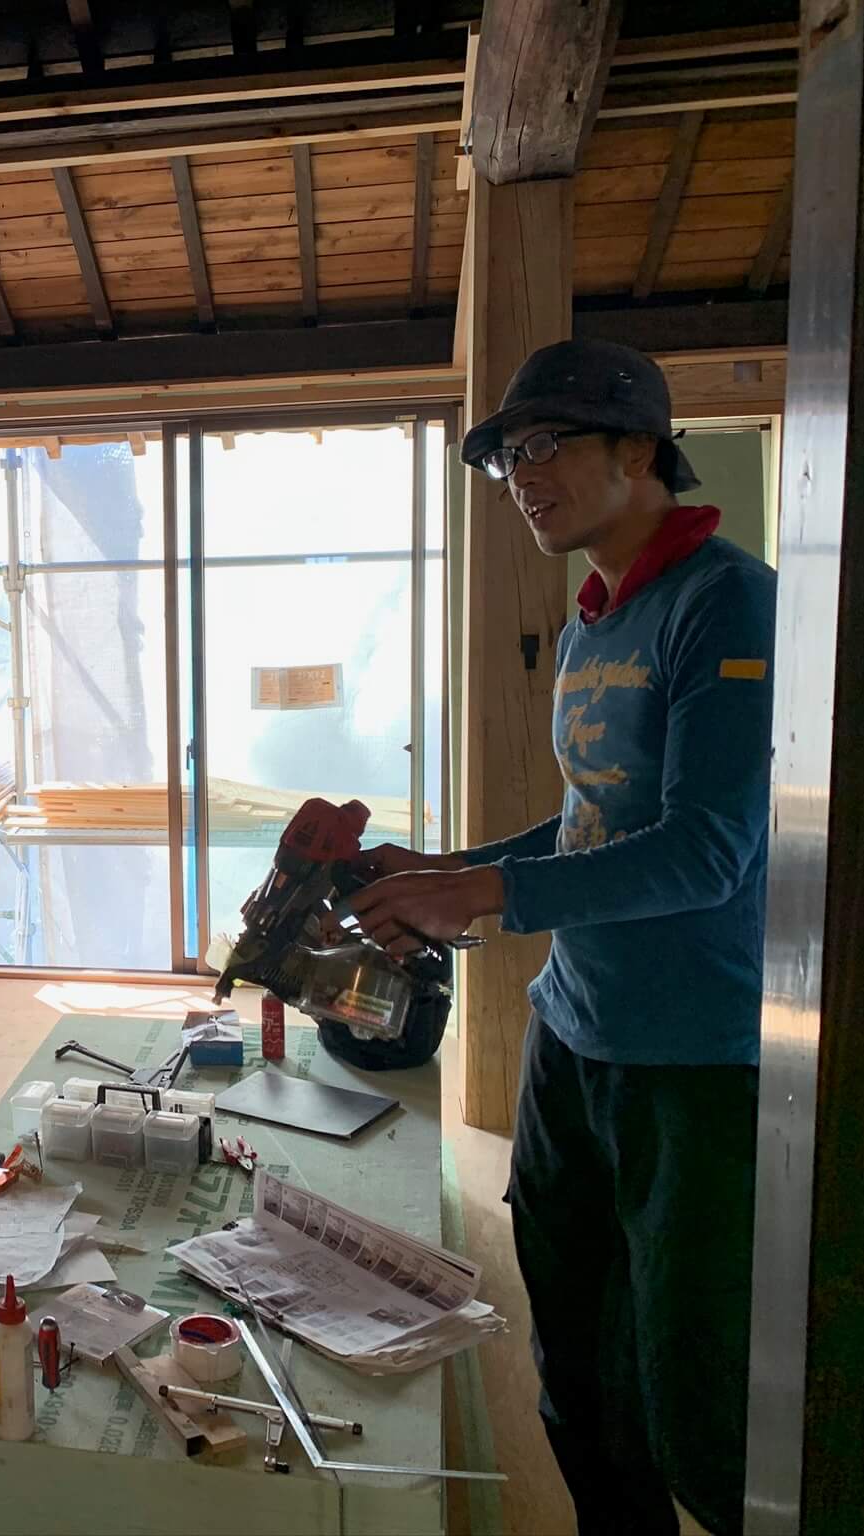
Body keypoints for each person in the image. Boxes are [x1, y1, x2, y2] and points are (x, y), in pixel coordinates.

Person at [350, 340, 775, 1535]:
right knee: (575, 1364)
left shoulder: (726, 602)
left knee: (692, 1388)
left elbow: (705, 851)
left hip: (690, 1060)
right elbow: (596, 818)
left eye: (545, 445)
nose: (521, 476)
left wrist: (486, 898)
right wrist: (452, 868)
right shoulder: (596, 618)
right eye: (506, 458)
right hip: (572, 1033)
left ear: (639, 450)